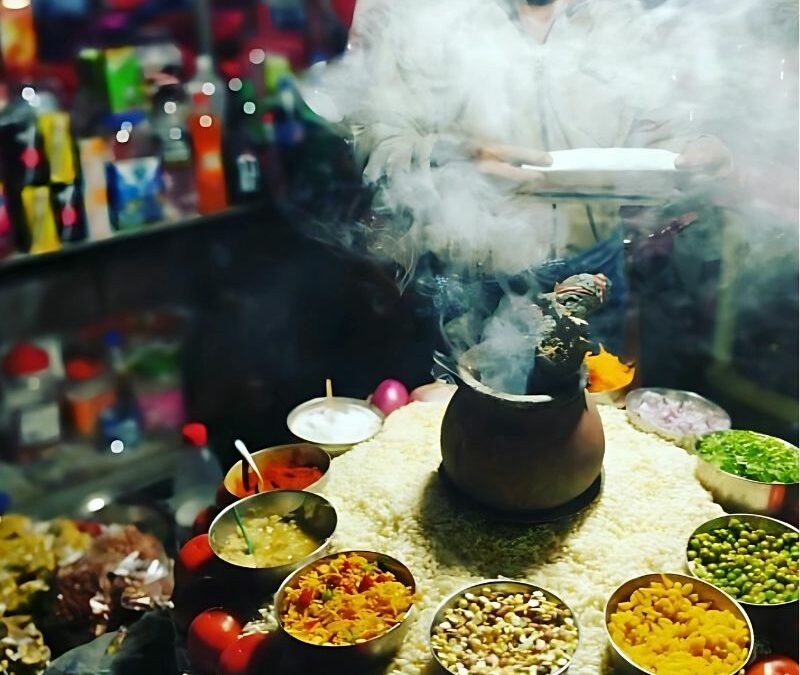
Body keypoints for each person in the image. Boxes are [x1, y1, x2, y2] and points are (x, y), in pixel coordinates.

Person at [317, 0, 732, 355]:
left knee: (591, 408)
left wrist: (693, 149)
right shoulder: (421, 12)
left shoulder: (614, 12)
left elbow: (651, 122)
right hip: (471, 275)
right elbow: (378, 140)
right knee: (465, 416)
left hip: (592, 267)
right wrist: (450, 156)